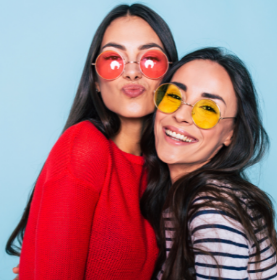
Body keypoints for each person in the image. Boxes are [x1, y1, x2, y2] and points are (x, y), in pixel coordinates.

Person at [6, 4, 178, 279]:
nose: (132, 73)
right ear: (95, 80)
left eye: (149, 60)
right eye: (113, 59)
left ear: (170, 76)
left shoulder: (165, 168)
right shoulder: (84, 147)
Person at [141, 47, 277, 279]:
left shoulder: (212, 211)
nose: (182, 116)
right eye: (174, 96)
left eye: (207, 109)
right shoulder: (180, 198)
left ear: (230, 134)